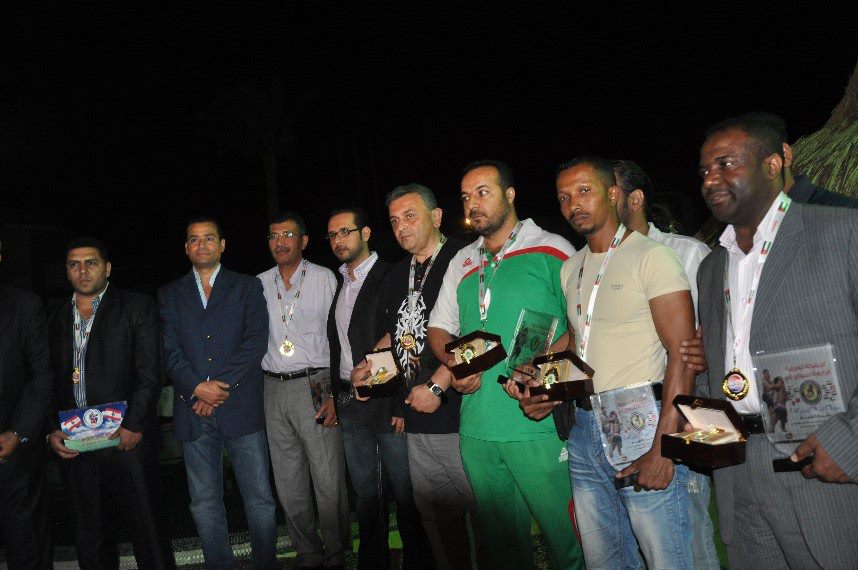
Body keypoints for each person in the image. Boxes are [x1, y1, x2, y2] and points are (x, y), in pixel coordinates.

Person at [514, 156, 697, 568]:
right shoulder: (571, 268)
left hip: (643, 423)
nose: (573, 204)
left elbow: (683, 356)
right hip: (583, 428)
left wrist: (664, 448)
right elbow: (579, 341)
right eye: (564, 197)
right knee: (603, 560)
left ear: (613, 195)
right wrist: (540, 379)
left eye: (584, 191)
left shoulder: (653, 257)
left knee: (666, 557)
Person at [696, 113, 858, 567]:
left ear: (773, 163)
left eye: (726, 164)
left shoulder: (843, 231)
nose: (710, 180)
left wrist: (850, 441)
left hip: (822, 463)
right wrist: (706, 422)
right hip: (740, 473)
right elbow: (722, 362)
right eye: (704, 171)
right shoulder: (711, 267)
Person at [427, 160, 584, 569]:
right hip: (477, 429)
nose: (472, 204)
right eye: (466, 197)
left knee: (568, 545)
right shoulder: (462, 261)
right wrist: (456, 365)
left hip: (536, 422)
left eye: (483, 192)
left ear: (510, 194)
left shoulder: (552, 248)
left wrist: (543, 373)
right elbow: (438, 328)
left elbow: (581, 325)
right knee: (502, 551)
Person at [353, 183, 482, 569]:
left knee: (483, 519)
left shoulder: (465, 257)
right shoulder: (397, 274)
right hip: (416, 415)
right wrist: (369, 371)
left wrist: (438, 386)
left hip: (460, 412)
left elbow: (474, 332)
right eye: (394, 221)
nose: (401, 227)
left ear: (436, 216)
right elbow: (397, 334)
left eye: (410, 216)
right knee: (437, 521)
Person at [612, 159, 719, 570]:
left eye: (610, 192)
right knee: (635, 546)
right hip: (619, 422)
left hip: (680, 413)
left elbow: (720, 332)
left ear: (635, 199)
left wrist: (711, 350)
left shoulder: (687, 253)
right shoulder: (598, 265)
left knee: (686, 542)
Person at [45, 237, 175, 569]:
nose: (83, 271)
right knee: (90, 538)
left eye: (91, 263)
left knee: (148, 534)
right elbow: (46, 380)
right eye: (74, 265)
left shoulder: (137, 306)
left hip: (127, 442)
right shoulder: (55, 318)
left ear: (108, 268)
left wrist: (133, 424)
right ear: (67, 272)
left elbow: (151, 373)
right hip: (77, 446)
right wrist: (52, 429)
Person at [158, 217, 277, 569]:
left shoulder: (247, 286)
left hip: (241, 406)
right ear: (186, 248)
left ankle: (266, 563)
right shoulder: (170, 294)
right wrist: (198, 388)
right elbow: (168, 350)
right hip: (193, 408)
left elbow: (255, 342)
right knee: (203, 501)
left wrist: (217, 388)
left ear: (222, 244)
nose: (202, 245)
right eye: (194, 239)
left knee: (259, 498)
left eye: (209, 238)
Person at [325, 207, 427, 569]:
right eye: (332, 235)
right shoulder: (341, 283)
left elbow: (405, 339)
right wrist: (335, 395)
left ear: (366, 233)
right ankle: (373, 562)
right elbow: (340, 347)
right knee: (367, 496)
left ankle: (419, 561)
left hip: (388, 402)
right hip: (350, 402)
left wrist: (401, 403)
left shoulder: (391, 275)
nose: (338, 240)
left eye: (345, 232)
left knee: (406, 492)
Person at [258, 212, 349, 569]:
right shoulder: (259, 283)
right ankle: (307, 553)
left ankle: (337, 552)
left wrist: (335, 392)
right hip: (272, 385)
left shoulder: (324, 278)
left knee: (327, 476)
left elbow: (340, 338)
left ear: (304, 241)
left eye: (288, 235)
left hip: (316, 381)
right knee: (287, 479)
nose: (279, 242)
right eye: (273, 236)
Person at [0, 239, 53, 569]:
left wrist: (17, 433)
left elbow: (41, 375)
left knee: (26, 545)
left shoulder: (25, 305)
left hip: (13, 452)